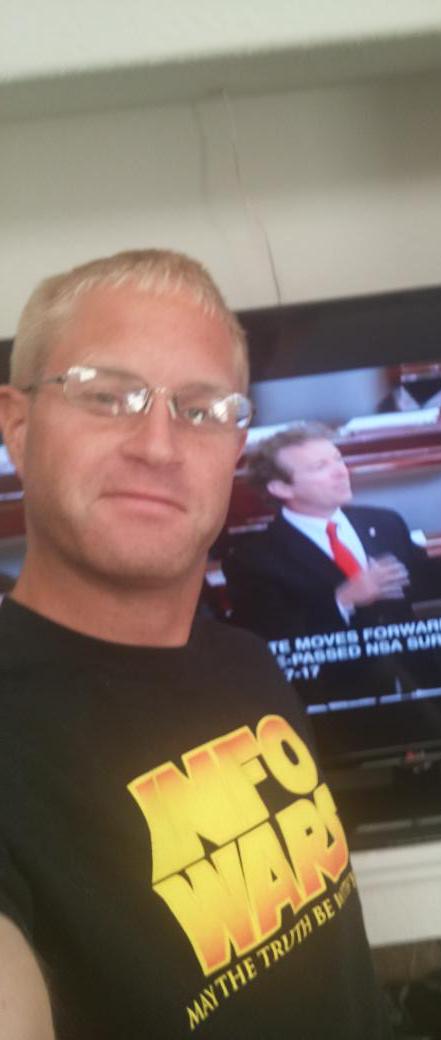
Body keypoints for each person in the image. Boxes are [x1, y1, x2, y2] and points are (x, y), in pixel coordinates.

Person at [0, 251, 389, 1039]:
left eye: (203, 410)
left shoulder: (250, 663)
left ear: (234, 447)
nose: (158, 445)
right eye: (106, 396)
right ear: (17, 424)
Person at [222, 424, 441, 645]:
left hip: (416, 673)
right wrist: (343, 600)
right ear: (281, 488)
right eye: (320, 467)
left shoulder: (384, 522)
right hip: (333, 690)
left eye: (338, 459)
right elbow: (273, 639)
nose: (341, 471)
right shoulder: (252, 559)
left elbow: (425, 581)